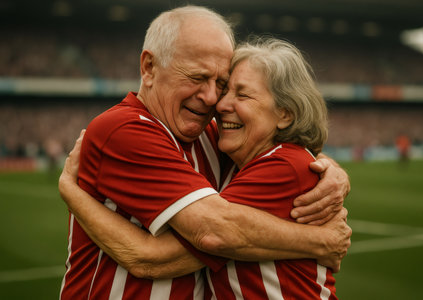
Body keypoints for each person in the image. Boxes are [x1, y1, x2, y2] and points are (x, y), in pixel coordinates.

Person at [59, 6, 351, 300]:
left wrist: (330, 170)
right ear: (149, 67)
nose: (213, 98)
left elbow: (281, 152)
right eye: (197, 77)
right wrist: (318, 241)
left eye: (220, 84)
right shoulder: (122, 130)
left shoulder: (211, 137)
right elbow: (213, 234)